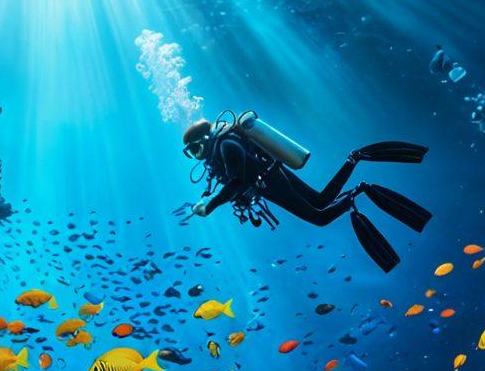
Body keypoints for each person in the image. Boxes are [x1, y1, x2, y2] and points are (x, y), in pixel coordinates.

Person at [178, 111, 431, 271]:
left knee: (320, 217)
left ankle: (358, 191)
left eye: (194, 149)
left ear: (204, 140)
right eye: (190, 153)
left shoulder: (226, 145)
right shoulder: (220, 149)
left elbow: (238, 182)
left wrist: (210, 206)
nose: (195, 156)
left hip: (270, 182)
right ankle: (354, 160)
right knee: (322, 200)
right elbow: (232, 181)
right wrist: (208, 198)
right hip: (272, 175)